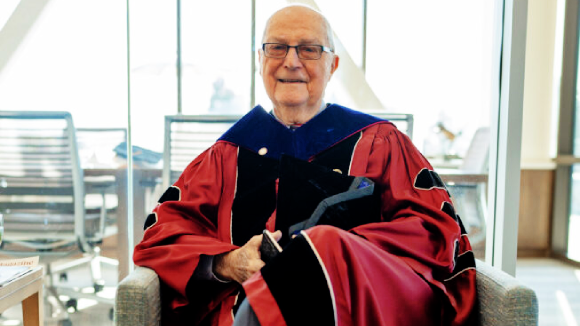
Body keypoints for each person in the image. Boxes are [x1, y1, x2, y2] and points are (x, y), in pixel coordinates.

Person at [133, 5, 477, 326]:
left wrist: (335, 256)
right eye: (277, 48)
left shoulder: (381, 143)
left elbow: (433, 231)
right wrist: (228, 263)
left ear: (333, 65)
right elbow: (162, 236)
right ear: (260, 60)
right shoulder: (226, 155)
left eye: (310, 49)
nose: (291, 61)